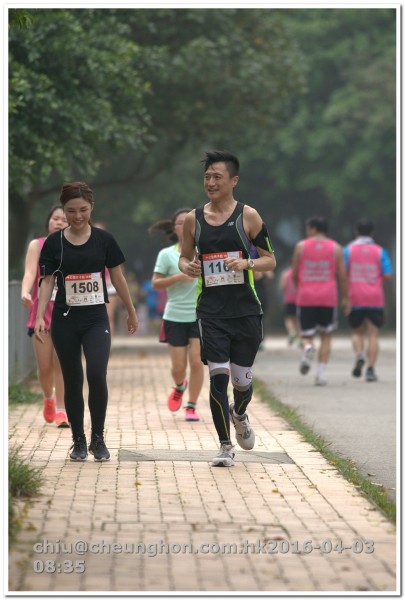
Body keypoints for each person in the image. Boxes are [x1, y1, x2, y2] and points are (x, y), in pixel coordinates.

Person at [179, 150, 276, 467]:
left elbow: (270, 259)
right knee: (218, 379)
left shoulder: (249, 216)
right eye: (207, 177)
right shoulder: (193, 219)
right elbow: (184, 256)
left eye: (217, 177)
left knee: (242, 384)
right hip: (211, 312)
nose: (210, 182)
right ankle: (224, 446)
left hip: (246, 311)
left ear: (233, 180)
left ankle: (240, 413)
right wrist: (188, 266)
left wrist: (247, 263)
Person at [35, 182, 139, 462]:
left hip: (95, 319)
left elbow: (117, 277)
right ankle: (78, 441)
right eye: (71, 211)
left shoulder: (104, 240)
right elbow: (47, 282)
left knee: (96, 373)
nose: (77, 216)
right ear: (64, 210)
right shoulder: (54, 243)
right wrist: (40, 316)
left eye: (82, 210)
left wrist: (130, 311)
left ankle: (98, 438)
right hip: (64, 320)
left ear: (91, 208)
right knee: (72, 379)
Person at [149, 208, 204, 421]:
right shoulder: (166, 255)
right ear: (174, 228)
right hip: (174, 316)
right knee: (178, 367)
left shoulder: (204, 252)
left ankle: (191, 406)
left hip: (200, 315)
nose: (184, 226)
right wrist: (178, 277)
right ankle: (180, 386)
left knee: (197, 361)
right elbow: (155, 283)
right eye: (180, 223)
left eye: (189, 222)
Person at [21, 205, 69, 427]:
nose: (59, 222)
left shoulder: (74, 246)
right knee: (45, 367)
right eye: (55, 218)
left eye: (64, 219)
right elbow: (30, 272)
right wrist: (25, 292)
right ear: (48, 221)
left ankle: (62, 410)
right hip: (40, 315)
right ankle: (48, 397)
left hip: (66, 314)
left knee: (62, 365)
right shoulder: (37, 245)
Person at [292, 216, 349, 386]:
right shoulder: (336, 248)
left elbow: (294, 273)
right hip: (328, 297)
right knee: (326, 336)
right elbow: (342, 276)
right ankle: (321, 374)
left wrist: (300, 288)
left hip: (306, 296)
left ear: (313, 228)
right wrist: (346, 298)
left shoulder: (301, 246)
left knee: (305, 335)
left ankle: (308, 348)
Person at [343, 218, 393, 382]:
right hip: (375, 297)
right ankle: (371, 369)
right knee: (373, 334)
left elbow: (342, 273)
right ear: (372, 233)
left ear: (356, 232)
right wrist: (375, 281)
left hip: (355, 297)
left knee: (357, 332)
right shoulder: (380, 251)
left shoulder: (348, 250)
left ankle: (359, 355)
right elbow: (387, 274)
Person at [93, 222, 121, 336]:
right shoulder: (84, 247)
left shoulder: (110, 247)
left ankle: (109, 342)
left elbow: (119, 271)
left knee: (109, 315)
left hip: (109, 285)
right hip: (93, 286)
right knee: (95, 317)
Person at [279, 264, 300, 347]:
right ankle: (298, 340)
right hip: (298, 299)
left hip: (289, 299)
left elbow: (282, 287)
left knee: (288, 318)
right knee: (297, 319)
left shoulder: (286, 274)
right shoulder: (299, 273)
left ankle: (292, 332)